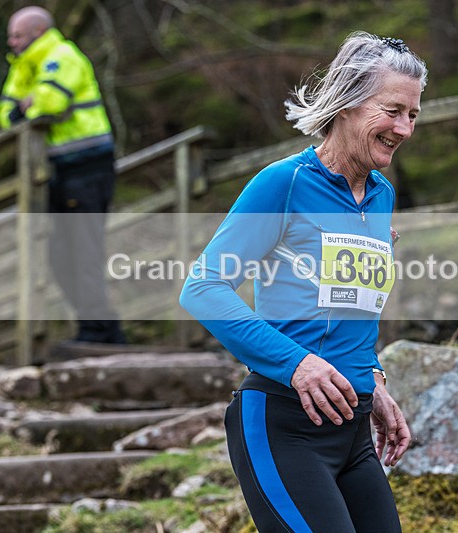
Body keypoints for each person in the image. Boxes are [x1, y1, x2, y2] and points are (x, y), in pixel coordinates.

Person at [180, 32, 427, 532]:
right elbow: (202, 287)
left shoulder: (380, 196)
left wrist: (371, 378)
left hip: (354, 430)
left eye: (413, 115)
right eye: (393, 110)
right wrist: (298, 365)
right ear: (349, 104)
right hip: (283, 424)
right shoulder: (284, 182)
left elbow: (347, 305)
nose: (404, 128)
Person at [0, 6, 126, 344]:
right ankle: (101, 328)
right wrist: (23, 107)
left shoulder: (62, 55)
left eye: (17, 35)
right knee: (58, 255)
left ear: (38, 32)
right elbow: (5, 113)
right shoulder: (24, 66)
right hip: (57, 171)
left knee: (83, 250)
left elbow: (50, 104)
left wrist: (28, 105)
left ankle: (98, 331)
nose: (11, 42)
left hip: (86, 166)